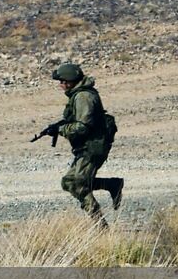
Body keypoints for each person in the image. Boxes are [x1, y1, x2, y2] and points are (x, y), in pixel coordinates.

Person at [46, 62, 122, 227]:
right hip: (88, 146)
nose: (60, 85)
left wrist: (61, 129)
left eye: (62, 81)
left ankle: (100, 225)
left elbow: (82, 126)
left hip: (93, 147)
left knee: (77, 184)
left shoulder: (83, 97)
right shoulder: (79, 95)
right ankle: (111, 184)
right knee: (69, 182)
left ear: (69, 80)